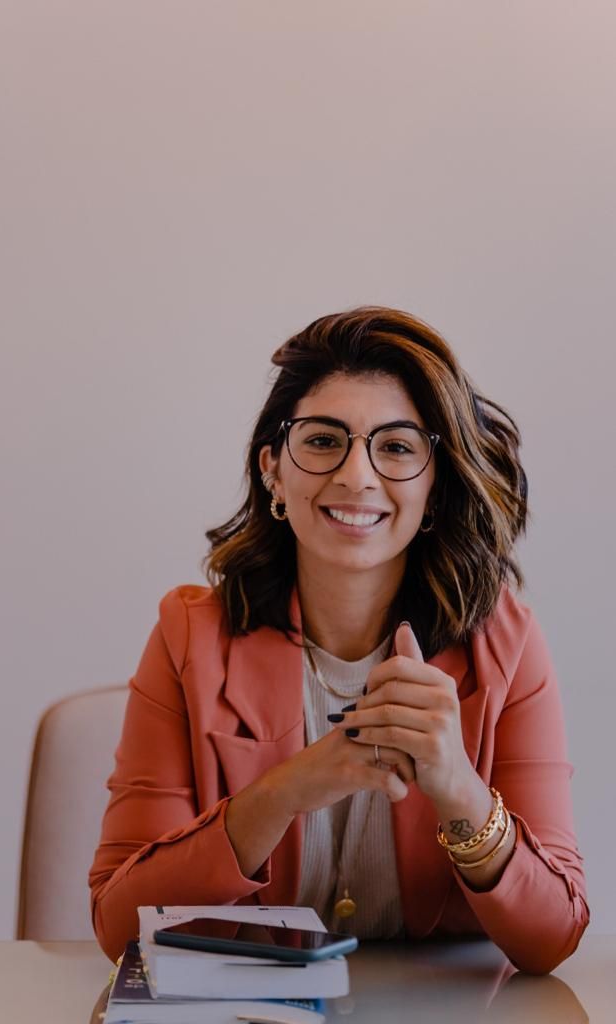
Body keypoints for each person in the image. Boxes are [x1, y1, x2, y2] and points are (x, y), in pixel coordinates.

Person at [89, 306, 589, 973]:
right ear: (273, 469)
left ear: (434, 487)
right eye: (324, 441)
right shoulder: (189, 639)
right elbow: (120, 927)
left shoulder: (507, 647)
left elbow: (550, 940)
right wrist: (282, 793)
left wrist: (457, 788)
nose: (356, 476)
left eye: (396, 446)